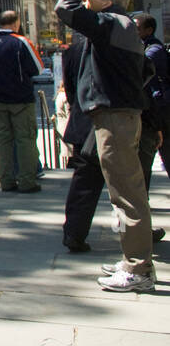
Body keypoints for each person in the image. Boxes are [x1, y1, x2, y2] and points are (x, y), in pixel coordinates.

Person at [55, 0, 157, 292]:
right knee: (126, 192)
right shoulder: (122, 26)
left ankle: (138, 269)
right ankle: (135, 263)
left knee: (126, 195)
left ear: (107, 0)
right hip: (119, 115)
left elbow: (65, 8)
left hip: (115, 118)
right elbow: (145, 74)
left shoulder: (112, 23)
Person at [0, 10, 44, 193]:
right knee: (25, 139)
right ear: (16, 23)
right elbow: (38, 68)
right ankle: (27, 181)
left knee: (3, 140)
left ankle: (6, 181)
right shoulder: (21, 41)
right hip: (21, 99)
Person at [61, 32, 104, 252]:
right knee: (127, 186)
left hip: (83, 122)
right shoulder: (119, 43)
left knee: (83, 182)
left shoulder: (72, 51)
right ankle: (133, 236)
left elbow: (69, 87)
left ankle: (74, 233)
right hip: (112, 122)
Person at [135, 15, 170, 188]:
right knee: (143, 161)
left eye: (137, 28)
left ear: (148, 30)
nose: (134, 31)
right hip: (152, 113)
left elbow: (138, 67)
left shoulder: (154, 49)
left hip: (161, 113)